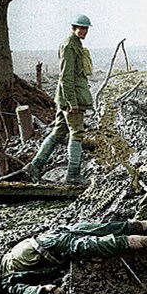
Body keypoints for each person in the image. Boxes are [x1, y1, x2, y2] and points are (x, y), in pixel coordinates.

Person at [0, 215, 147, 294]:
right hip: (53, 247)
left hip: (53, 235)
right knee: (97, 243)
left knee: (101, 228)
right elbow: (23, 290)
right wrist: (44, 289)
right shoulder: (7, 283)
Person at [23, 14, 96, 185]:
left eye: (86, 28)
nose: (84, 31)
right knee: (77, 133)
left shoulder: (75, 44)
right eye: (81, 28)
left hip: (67, 98)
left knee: (58, 132)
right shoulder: (70, 45)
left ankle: (34, 167)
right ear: (73, 28)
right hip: (70, 99)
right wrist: (72, 102)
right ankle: (73, 174)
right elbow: (65, 77)